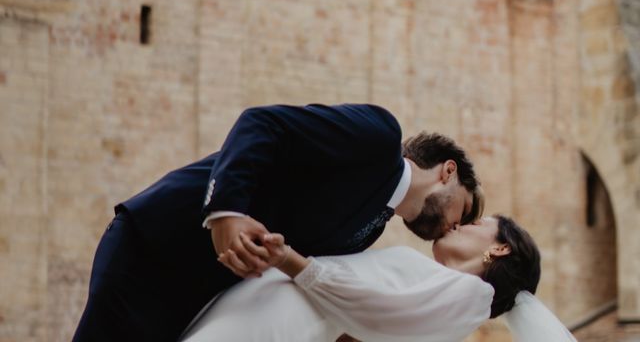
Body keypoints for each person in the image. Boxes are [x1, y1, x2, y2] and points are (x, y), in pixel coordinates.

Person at [72, 103, 484, 341]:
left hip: (191, 305)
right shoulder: (379, 137)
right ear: (447, 171)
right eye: (462, 212)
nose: (452, 228)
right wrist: (225, 213)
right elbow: (261, 123)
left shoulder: (370, 231)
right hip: (154, 252)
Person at [181, 215, 576, 342]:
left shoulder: (472, 296)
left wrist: (289, 260)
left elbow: (373, 310)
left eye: (475, 223)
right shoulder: (447, 299)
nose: (459, 224)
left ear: (501, 248)